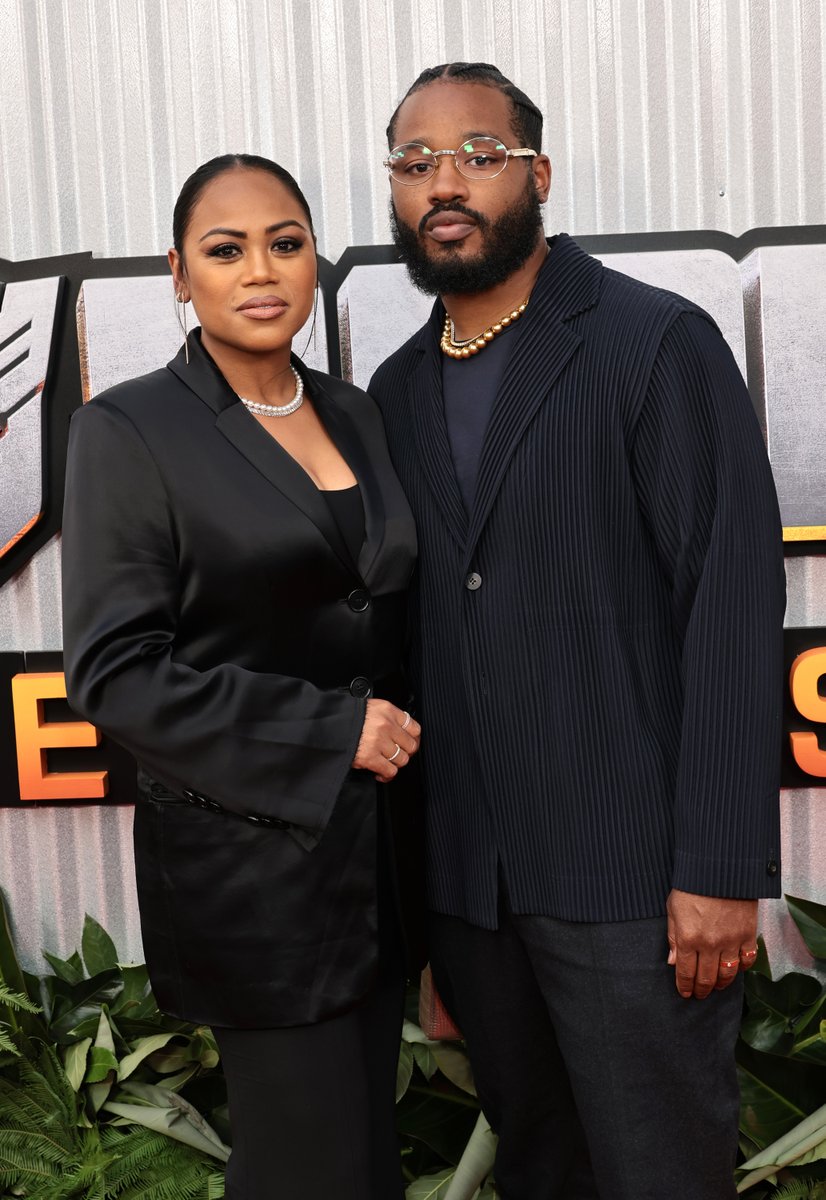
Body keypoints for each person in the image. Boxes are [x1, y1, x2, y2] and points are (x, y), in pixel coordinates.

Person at [369, 63, 786, 1199]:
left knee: (659, 1175)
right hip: (477, 898)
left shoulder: (650, 342)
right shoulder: (395, 391)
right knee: (539, 1174)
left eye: (477, 156)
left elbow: (732, 609)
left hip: (633, 888)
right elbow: (412, 650)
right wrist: (433, 927)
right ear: (395, 194)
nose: (443, 183)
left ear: (536, 176)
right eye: (415, 163)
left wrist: (716, 870)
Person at [61, 153, 423, 1200]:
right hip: (256, 878)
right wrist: (330, 731)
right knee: (307, 1171)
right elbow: (116, 673)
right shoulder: (129, 430)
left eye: (286, 242)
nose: (260, 270)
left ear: (315, 260)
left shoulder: (358, 413)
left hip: (378, 869)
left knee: (366, 1166)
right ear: (181, 274)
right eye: (226, 250)